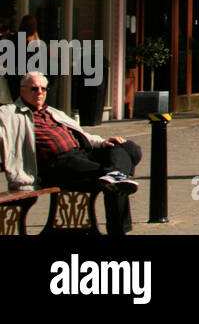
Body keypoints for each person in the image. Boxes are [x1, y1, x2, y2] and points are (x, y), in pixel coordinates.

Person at [0, 72, 142, 235]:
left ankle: (115, 175)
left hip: (81, 154)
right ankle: (118, 225)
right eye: (34, 89)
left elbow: (82, 134)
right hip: (57, 165)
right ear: (22, 90)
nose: (39, 92)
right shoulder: (9, 113)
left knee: (126, 147)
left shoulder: (53, 112)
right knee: (112, 178)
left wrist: (102, 142)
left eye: (43, 89)